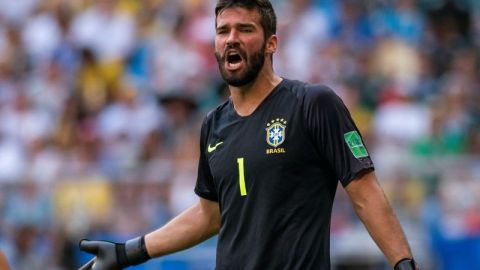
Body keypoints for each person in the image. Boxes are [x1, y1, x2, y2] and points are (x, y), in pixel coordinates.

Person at [79, 1, 419, 269]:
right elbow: (209, 215)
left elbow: (365, 193)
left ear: (271, 43)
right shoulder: (214, 124)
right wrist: (128, 252)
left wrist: (403, 264)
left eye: (245, 29)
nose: (232, 39)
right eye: (223, 30)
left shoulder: (313, 104)